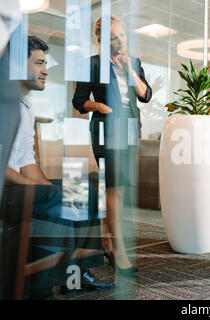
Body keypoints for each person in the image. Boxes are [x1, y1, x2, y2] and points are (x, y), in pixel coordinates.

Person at [4, 35, 113, 298]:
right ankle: (40, 288)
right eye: (39, 63)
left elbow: (26, 161)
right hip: (3, 190)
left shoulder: (26, 105)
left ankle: (75, 275)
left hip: (15, 185)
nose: (45, 70)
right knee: (56, 196)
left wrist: (53, 189)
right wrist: (48, 192)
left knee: (83, 188)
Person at [72, 15, 152, 278]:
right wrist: (98, 106)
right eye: (113, 38)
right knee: (115, 189)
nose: (120, 41)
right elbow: (78, 100)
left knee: (119, 189)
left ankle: (107, 242)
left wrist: (129, 68)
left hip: (130, 130)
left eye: (122, 35)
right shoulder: (92, 64)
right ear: (102, 41)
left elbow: (145, 95)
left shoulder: (134, 62)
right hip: (106, 130)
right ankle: (119, 250)